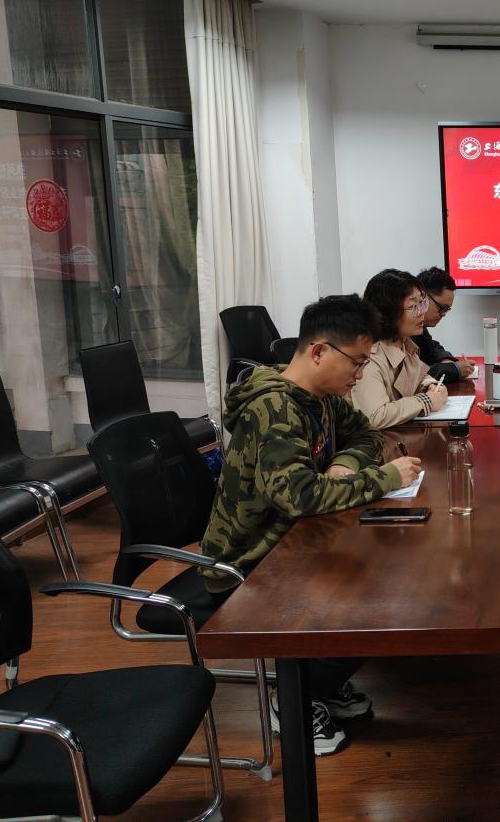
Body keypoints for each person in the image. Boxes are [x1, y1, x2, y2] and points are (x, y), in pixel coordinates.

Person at [200, 294, 423, 756]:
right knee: (376, 604)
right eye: (356, 362)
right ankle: (294, 696)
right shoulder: (273, 410)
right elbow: (299, 496)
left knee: (389, 579)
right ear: (319, 351)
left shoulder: (320, 399)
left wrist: (343, 465)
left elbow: (366, 434)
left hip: (292, 541)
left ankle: (321, 680)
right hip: (250, 564)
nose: (360, 374)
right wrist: (383, 478)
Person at [352, 269, 449, 428]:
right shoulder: (369, 356)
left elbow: (417, 376)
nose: (422, 313)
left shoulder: (405, 344)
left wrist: (430, 385)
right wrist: (425, 401)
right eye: (413, 306)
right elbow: (375, 416)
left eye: (422, 303)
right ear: (388, 312)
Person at [415, 266, 476, 382]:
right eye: (442, 307)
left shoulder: (420, 326)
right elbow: (412, 376)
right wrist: (454, 368)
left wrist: (446, 360)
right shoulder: (400, 329)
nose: (443, 314)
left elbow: (432, 347)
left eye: (447, 310)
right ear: (422, 297)